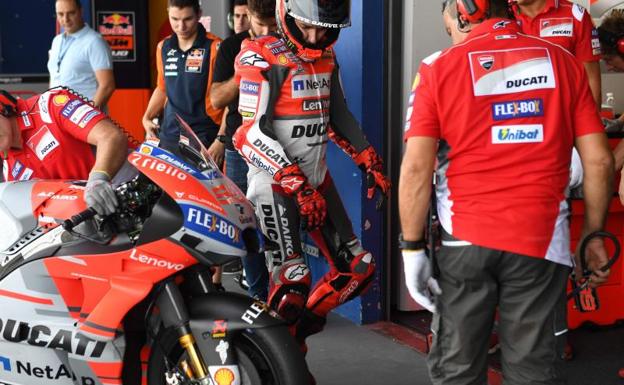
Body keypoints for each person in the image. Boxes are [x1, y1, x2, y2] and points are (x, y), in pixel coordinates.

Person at [399, 0, 613, 384]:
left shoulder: (437, 67)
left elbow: (415, 168)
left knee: (458, 370)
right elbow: (598, 162)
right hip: (541, 239)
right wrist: (592, 235)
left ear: (465, 12)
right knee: (533, 371)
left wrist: (412, 249)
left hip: (465, 239)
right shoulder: (563, 63)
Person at [232, 0, 390, 354]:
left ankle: (292, 341)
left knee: (358, 269)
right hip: (275, 184)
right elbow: (248, 134)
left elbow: (339, 116)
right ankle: (270, 359)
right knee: (291, 282)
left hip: (318, 180)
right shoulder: (261, 57)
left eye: (325, 29)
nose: (316, 37)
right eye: (306, 27)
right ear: (284, 15)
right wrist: (296, 184)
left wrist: (369, 159)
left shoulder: (327, 58)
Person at [209, 0, 277, 300]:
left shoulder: (289, 43)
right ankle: (259, 297)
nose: (264, 31)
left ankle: (284, 295)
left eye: (270, 25)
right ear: (247, 16)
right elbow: (216, 99)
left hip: (281, 144)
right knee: (246, 223)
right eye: (258, 24)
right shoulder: (231, 47)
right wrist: (246, 70)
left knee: (283, 222)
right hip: (241, 147)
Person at [0, 88, 127, 215]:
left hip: (132, 196)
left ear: (2, 107)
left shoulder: (50, 105)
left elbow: (111, 136)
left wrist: (98, 179)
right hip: (92, 226)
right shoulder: (9, 171)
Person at [142, 0, 224, 150]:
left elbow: (229, 101)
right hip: (168, 134)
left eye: (187, 19)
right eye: (175, 19)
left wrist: (221, 140)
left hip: (204, 136)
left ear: (199, 14)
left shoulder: (216, 47)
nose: (181, 26)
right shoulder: (163, 47)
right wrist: (146, 117)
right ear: (168, 13)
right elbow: (162, 88)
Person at [509, 0, 602, 106]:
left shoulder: (576, 14)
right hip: (518, 112)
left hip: (564, 111)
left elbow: (591, 77)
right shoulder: (500, 17)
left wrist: (592, 120)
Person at [48, 0, 115, 109]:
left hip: (83, 119)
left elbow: (107, 86)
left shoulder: (95, 42)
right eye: (60, 14)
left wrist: (88, 117)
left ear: (81, 12)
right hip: (57, 116)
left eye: (71, 13)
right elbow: (55, 78)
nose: (66, 19)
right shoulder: (56, 41)